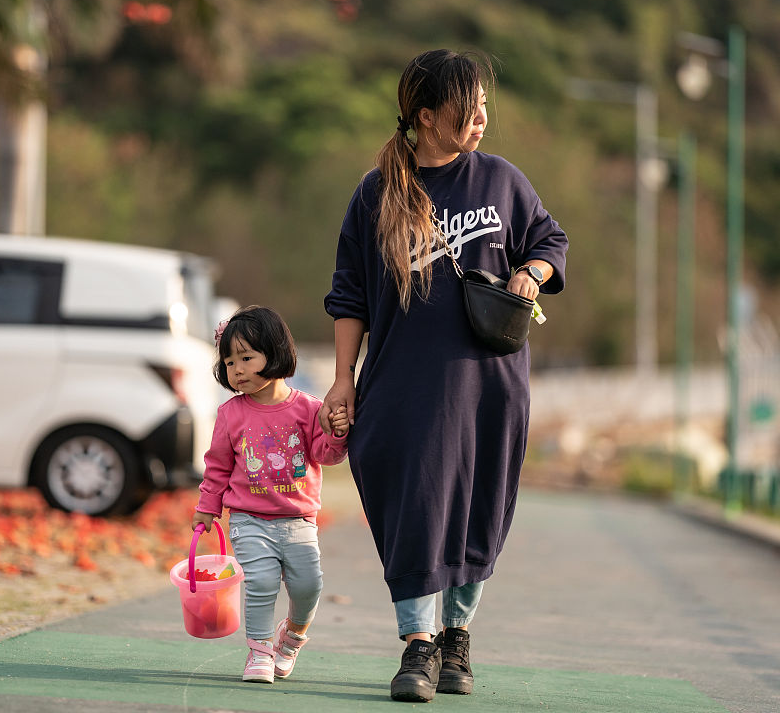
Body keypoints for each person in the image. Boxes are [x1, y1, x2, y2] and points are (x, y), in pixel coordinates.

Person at [320, 49, 568, 702]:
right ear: (427, 116)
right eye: (469, 107)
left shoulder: (502, 182)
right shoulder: (376, 195)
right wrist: (343, 379)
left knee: (479, 511)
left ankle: (456, 637)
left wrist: (530, 273)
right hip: (404, 389)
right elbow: (348, 298)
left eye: (485, 104)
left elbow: (550, 241)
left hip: (492, 386)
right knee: (415, 511)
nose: (483, 117)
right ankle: (417, 645)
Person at [192, 305, 349, 684]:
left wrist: (338, 432)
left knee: (309, 586)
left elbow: (325, 455)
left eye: (247, 357)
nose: (238, 369)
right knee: (260, 583)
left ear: (276, 351)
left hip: (298, 520)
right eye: (230, 362)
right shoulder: (231, 414)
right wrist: (206, 508)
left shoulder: (309, 409)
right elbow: (217, 467)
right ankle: (260, 651)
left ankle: (290, 638)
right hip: (249, 519)